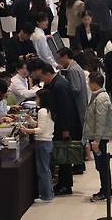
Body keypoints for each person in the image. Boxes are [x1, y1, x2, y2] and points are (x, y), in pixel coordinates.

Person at [30, 59, 81, 196]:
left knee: (63, 156)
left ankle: (65, 185)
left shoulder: (59, 86)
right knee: (60, 155)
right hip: (58, 125)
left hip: (63, 127)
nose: (42, 80)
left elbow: (65, 110)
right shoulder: (55, 83)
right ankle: (63, 183)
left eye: (42, 77)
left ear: (47, 74)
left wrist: (65, 130)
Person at [82, 72, 112, 202]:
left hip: (100, 138)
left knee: (102, 165)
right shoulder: (97, 96)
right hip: (97, 137)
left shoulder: (101, 98)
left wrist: (96, 140)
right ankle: (105, 190)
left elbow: (100, 121)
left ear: (94, 83)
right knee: (100, 165)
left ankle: (106, 191)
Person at [19, 89, 55, 203]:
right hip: (47, 141)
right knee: (46, 169)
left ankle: (46, 196)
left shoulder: (42, 111)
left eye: (37, 98)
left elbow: (41, 129)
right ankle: (49, 193)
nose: (36, 100)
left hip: (43, 142)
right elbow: (40, 125)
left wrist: (27, 130)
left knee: (43, 170)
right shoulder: (48, 110)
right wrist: (30, 120)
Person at [56, 47, 89, 129]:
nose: (58, 61)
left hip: (78, 104)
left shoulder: (72, 70)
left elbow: (76, 89)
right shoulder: (75, 66)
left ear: (65, 56)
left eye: (59, 58)